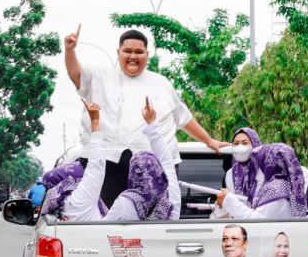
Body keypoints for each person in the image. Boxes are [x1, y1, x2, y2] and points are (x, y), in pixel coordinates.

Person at [64, 25, 228, 207]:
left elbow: (183, 117)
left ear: (147, 55)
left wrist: (209, 141)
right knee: (107, 222)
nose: (133, 56)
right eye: (127, 51)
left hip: (155, 166)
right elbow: (75, 74)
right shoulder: (100, 76)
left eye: (138, 52)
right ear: (118, 52)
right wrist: (70, 50)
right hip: (108, 163)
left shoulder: (161, 83)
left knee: (155, 220)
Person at [41, 97, 180, 221]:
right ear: (159, 175)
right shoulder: (171, 201)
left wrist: (95, 124)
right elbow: (167, 162)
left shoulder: (125, 205)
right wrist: (152, 124)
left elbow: (107, 229)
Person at [215, 142, 308, 219]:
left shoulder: (276, 187)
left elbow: (257, 220)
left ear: (270, 163)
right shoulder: (290, 184)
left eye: (260, 163)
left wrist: (228, 199)